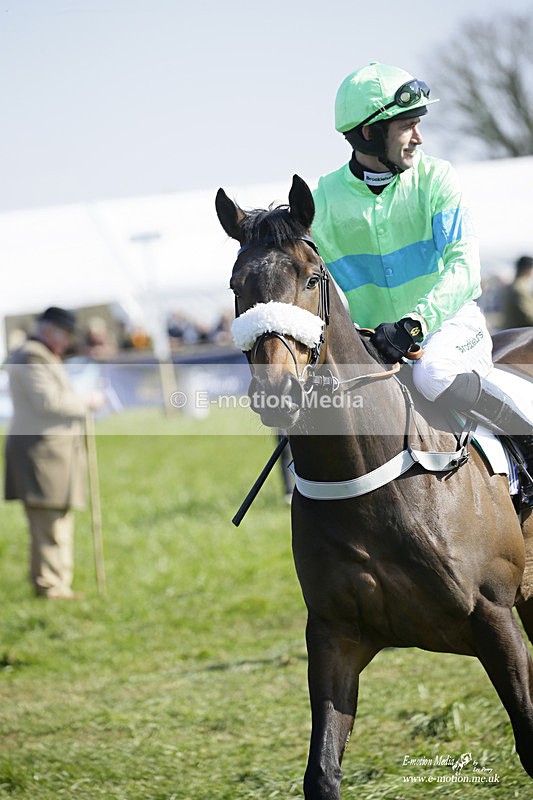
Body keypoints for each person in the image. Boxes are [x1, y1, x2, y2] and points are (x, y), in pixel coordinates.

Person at [311, 61, 533, 502]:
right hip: (373, 345)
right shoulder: (322, 200)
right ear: (369, 134)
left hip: (448, 328)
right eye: (408, 126)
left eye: (418, 125)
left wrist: (415, 323)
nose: (419, 137)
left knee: (432, 373)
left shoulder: (437, 177)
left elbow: (464, 265)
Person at [4, 307, 104, 599]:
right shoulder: (32, 356)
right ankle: (51, 587)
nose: (67, 342)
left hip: (50, 454)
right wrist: (86, 402)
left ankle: (57, 584)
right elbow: (47, 402)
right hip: (40, 454)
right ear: (51, 331)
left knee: (57, 522)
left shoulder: (40, 354)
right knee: (48, 525)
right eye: (65, 335)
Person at [502, 255, 533, 329]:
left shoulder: (512, 286)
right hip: (520, 335)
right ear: (528, 270)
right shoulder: (520, 289)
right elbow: (528, 317)